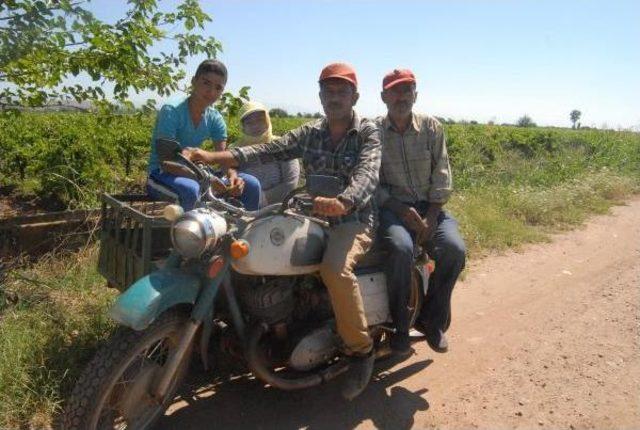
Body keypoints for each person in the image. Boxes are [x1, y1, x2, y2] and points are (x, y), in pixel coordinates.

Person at [184, 63, 381, 400]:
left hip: (352, 219)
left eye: (342, 91)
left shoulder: (367, 133)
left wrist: (344, 202)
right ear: (320, 95)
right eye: (328, 90)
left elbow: (368, 174)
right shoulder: (310, 132)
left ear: (355, 96)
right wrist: (214, 156)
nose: (334, 97)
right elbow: (266, 149)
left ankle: (361, 351)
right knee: (253, 249)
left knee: (335, 269)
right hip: (310, 216)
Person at [376, 69, 466, 355]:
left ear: (416, 94)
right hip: (393, 208)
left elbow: (442, 173)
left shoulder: (431, 127)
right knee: (401, 249)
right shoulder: (372, 132)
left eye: (406, 90)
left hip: (430, 207)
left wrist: (431, 215)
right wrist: (400, 210)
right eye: (394, 91)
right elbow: (370, 182)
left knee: (454, 250)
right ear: (383, 97)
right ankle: (400, 328)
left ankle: (432, 320)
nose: (401, 96)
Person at [146, 59, 261, 211]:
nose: (211, 92)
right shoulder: (172, 111)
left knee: (251, 184)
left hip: (198, 174)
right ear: (194, 81)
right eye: (206, 83)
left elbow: (223, 160)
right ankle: (187, 233)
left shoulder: (215, 118)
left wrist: (233, 176)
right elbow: (167, 163)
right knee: (191, 189)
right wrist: (206, 179)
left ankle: (243, 232)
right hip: (161, 175)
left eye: (218, 88)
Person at [236, 101, 300, 205]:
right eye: (249, 123)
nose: (255, 126)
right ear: (242, 126)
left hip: (278, 207)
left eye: (260, 120)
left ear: (267, 121)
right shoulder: (235, 150)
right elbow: (231, 179)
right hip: (243, 207)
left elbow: (290, 183)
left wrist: (259, 200)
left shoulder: (283, 146)